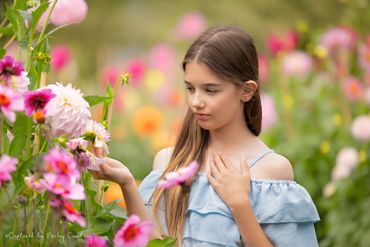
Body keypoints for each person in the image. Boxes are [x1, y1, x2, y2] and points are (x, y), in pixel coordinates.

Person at [90, 25, 320, 247]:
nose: (196, 102)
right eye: (190, 88)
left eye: (210, 90)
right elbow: (155, 244)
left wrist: (240, 205)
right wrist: (127, 184)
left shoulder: (271, 169)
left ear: (247, 91)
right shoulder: (171, 162)